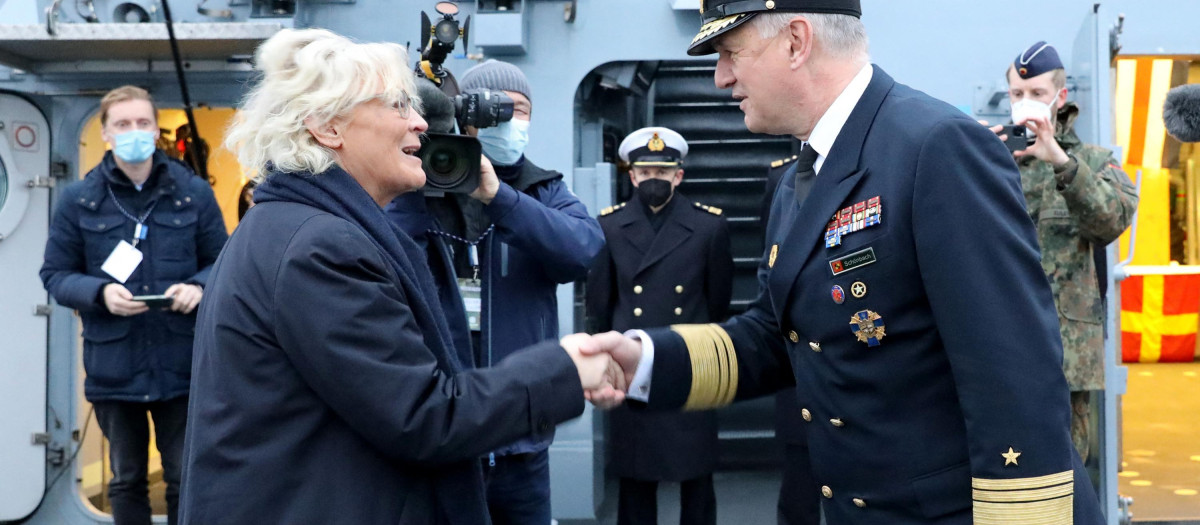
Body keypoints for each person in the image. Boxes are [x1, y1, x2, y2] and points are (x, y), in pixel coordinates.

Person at [581, 1, 1106, 523]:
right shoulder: (799, 180)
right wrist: (644, 359)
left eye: (729, 52)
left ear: (796, 41)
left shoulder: (936, 146)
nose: (720, 77)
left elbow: (1012, 372)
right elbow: (773, 333)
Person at [177, 28, 618, 525]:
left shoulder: (298, 225)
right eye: (397, 106)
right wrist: (564, 369)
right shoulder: (321, 248)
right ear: (326, 127)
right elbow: (423, 418)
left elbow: (581, 250)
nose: (419, 124)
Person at [386, 58, 604, 525]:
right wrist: (421, 175)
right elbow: (385, 254)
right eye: (495, 110)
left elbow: (583, 251)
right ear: (466, 117)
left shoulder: (544, 190)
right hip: (443, 429)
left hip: (522, 429)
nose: (508, 120)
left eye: (519, 109)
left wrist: (500, 198)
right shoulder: (423, 184)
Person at [40, 85, 228, 525]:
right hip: (114, 366)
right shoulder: (79, 200)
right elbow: (55, 275)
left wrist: (199, 287)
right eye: (123, 125)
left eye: (143, 123)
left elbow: (224, 263)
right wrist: (100, 293)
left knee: (186, 476)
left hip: (181, 363)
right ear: (105, 133)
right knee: (125, 480)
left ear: (155, 129)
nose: (134, 132)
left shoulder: (192, 193)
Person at [985, 42, 1138, 463]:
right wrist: (975, 158)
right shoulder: (991, 159)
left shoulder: (1093, 161)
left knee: (1066, 475)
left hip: (1066, 358)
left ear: (1060, 97)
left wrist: (1061, 161)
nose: (1026, 103)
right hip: (998, 350)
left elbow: (1110, 222)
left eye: (1036, 93)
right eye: (1017, 94)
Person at [586, 127, 732, 525]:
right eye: (645, 173)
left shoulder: (710, 227)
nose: (654, 180)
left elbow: (718, 302)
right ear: (631, 176)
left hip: (691, 361)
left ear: (678, 176)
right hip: (633, 367)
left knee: (697, 475)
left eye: (662, 173)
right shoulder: (609, 227)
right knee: (636, 477)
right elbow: (601, 305)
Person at [763, 146, 821, 525]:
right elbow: (770, 264)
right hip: (799, 366)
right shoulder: (783, 178)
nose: (724, 81)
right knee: (799, 485)